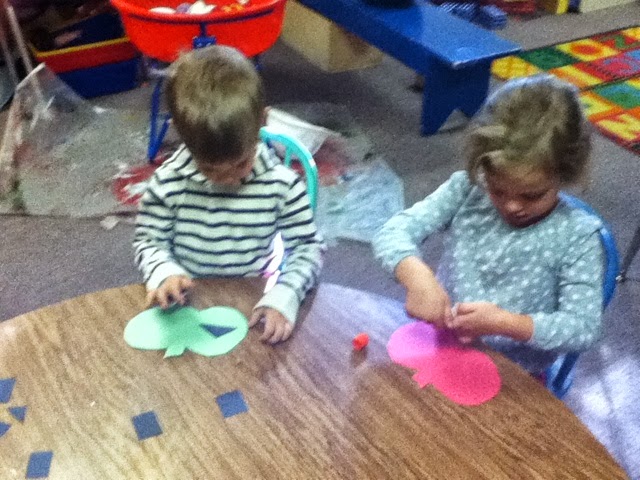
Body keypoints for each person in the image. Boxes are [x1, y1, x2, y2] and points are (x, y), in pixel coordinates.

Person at [373, 74, 604, 375]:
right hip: (443, 347)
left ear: (565, 174)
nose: (512, 206)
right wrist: (415, 274)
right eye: (497, 189)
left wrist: (507, 323)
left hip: (515, 374)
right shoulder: (467, 190)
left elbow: (583, 328)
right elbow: (392, 232)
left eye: (532, 195)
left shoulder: (578, 237)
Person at [133, 45, 324, 344]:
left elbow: (308, 248)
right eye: (210, 168)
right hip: (189, 300)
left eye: (240, 164)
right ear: (182, 135)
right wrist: (163, 273)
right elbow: (149, 240)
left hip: (257, 300)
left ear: (262, 122)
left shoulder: (282, 185)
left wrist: (285, 294)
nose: (228, 179)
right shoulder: (168, 182)